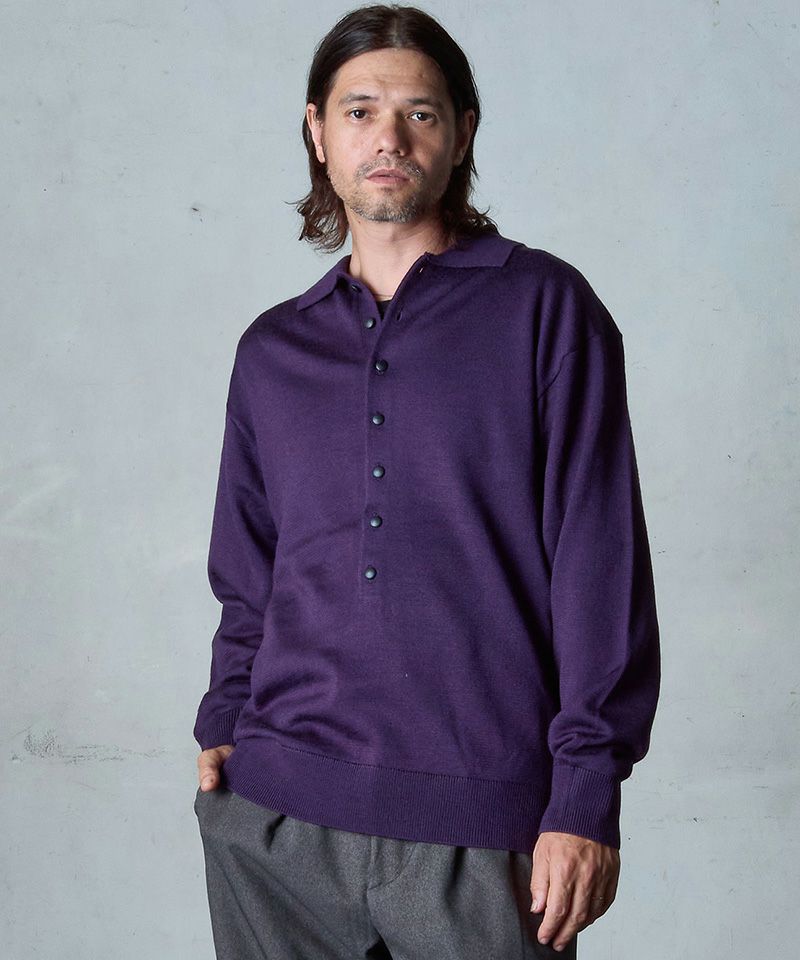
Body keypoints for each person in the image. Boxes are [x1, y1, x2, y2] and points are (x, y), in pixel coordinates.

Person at [192, 4, 661, 958]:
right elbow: (249, 574)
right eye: (359, 111)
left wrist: (584, 794)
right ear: (318, 132)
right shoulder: (272, 350)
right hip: (275, 820)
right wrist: (224, 720)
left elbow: (598, 567)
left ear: (462, 135)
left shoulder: (545, 309)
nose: (389, 139)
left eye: (421, 113)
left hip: (483, 829)